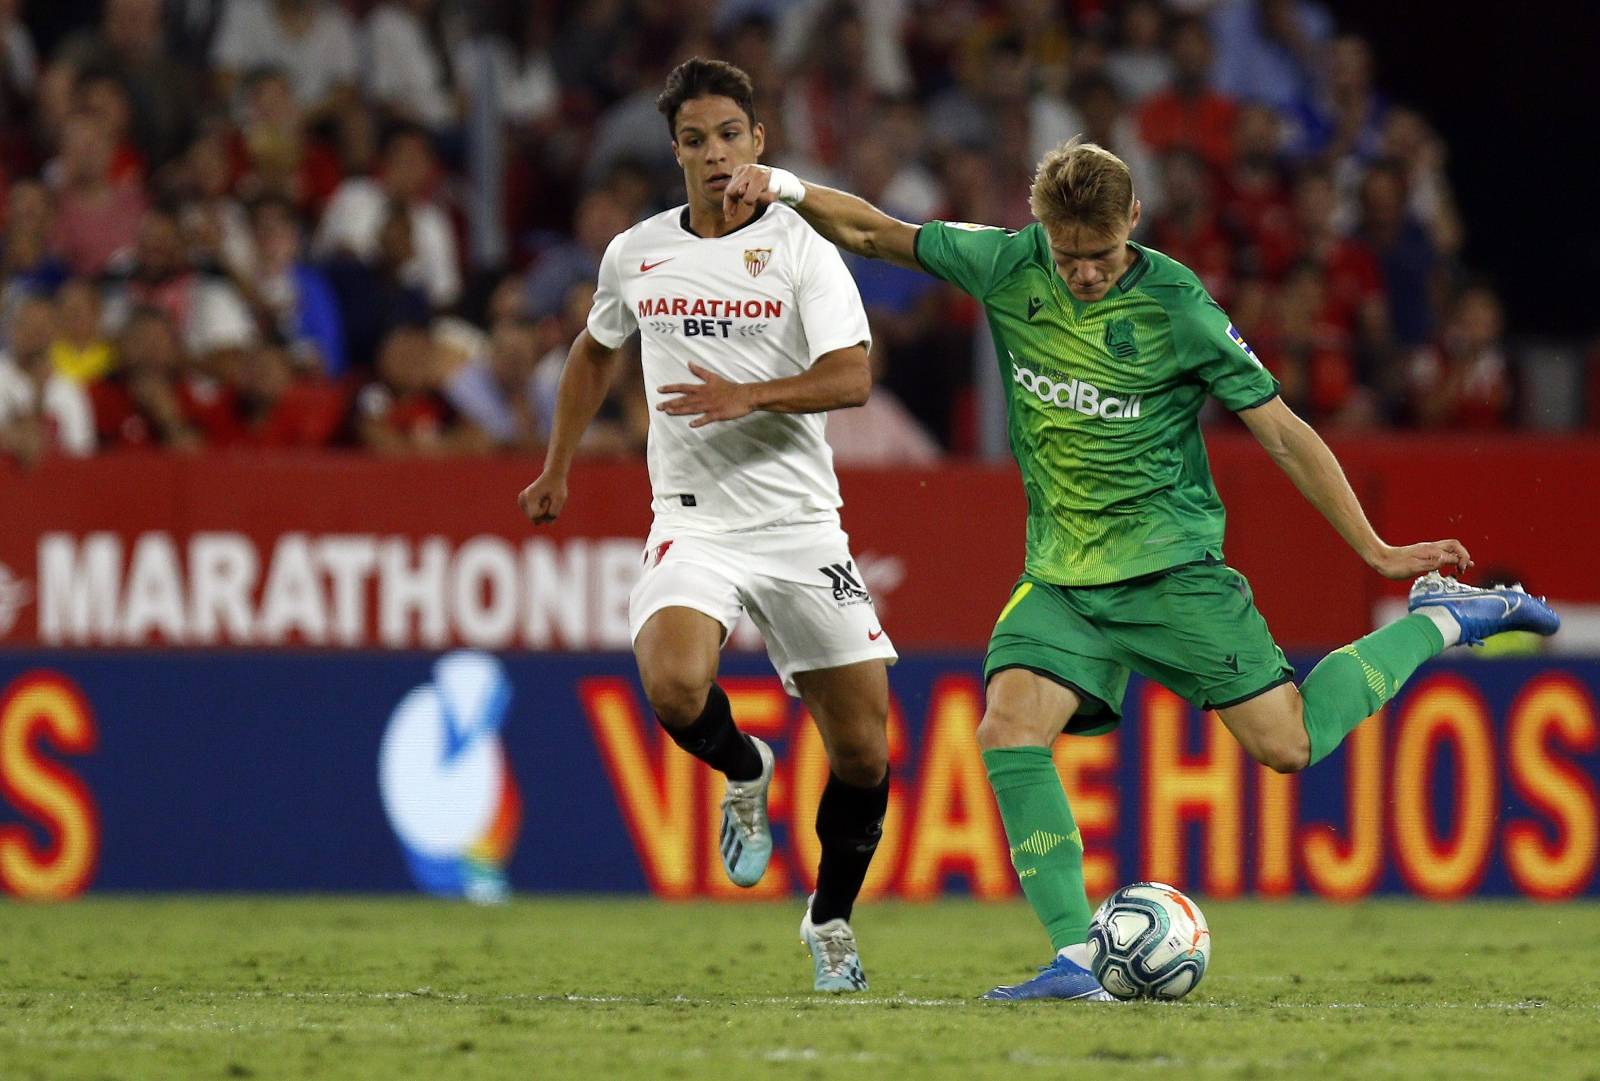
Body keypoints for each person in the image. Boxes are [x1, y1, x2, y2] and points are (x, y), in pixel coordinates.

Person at [724, 137, 1561, 1000]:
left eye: (1101, 255)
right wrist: (782, 184)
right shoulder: (1009, 265)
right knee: (1009, 729)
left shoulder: (1179, 307)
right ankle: (1076, 959)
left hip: (1171, 569)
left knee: (1290, 743)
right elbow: (873, 233)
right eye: (1068, 254)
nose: (1084, 273)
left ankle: (1443, 616)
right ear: (1041, 229)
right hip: (1061, 578)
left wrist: (1376, 550)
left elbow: (1282, 431)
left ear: (1133, 219)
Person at [516, 58, 896, 993]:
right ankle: (745, 764)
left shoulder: (802, 245)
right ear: (676, 151)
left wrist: (749, 395)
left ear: (758, 141)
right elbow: (593, 349)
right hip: (695, 521)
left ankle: (830, 918)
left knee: (865, 750)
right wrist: (558, 462)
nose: (716, 154)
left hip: (802, 524)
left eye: (731, 134)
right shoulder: (637, 252)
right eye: (696, 140)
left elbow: (852, 374)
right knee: (676, 686)